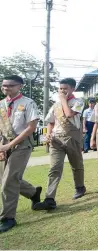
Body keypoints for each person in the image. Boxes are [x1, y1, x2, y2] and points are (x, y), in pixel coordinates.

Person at [33, 78, 86, 211]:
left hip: (72, 137)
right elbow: (50, 122)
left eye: (65, 88)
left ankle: (80, 187)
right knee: (54, 168)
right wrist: (48, 134)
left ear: (73, 89)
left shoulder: (78, 102)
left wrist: (63, 100)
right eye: (60, 89)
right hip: (56, 139)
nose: (62, 91)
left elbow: (69, 114)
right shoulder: (55, 105)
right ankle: (49, 198)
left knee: (76, 165)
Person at [0, 75, 42, 233]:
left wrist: (10, 145)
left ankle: (7, 218)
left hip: (22, 145)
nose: (6, 88)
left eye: (10, 85)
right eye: (3, 85)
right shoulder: (1, 105)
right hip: (4, 145)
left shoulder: (28, 103)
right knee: (5, 178)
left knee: (9, 181)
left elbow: (31, 127)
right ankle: (33, 192)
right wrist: (1, 147)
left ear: (20, 86)